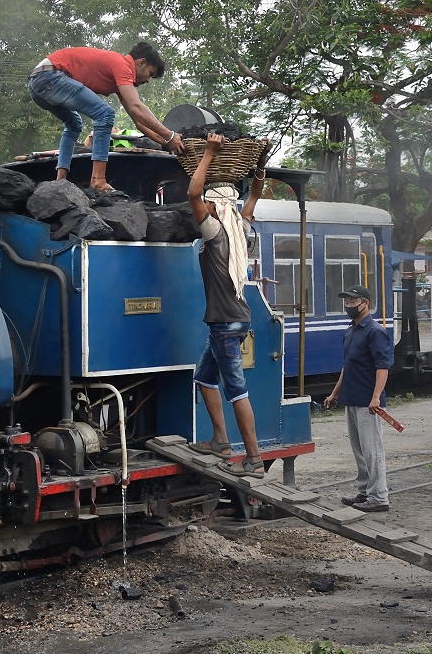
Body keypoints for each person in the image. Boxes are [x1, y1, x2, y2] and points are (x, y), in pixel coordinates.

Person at [186, 133, 269, 477]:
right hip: (236, 321)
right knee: (204, 378)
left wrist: (208, 153)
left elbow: (193, 193)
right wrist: (259, 167)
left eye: (209, 203)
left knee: (237, 391)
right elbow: (254, 195)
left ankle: (254, 460)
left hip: (224, 324)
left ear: (215, 207)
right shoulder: (241, 228)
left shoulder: (214, 232)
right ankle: (220, 439)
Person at [28, 42, 186, 191]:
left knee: (74, 124)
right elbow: (137, 106)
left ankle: (60, 180)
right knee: (105, 114)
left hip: (37, 82)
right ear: (141, 63)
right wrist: (170, 135)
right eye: (150, 73)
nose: (148, 80)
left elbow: (139, 121)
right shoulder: (121, 64)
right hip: (50, 76)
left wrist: (168, 142)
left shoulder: (120, 76)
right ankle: (98, 180)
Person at [323, 285, 393, 512]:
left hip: (368, 402)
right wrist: (335, 394)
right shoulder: (350, 331)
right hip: (351, 398)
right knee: (360, 450)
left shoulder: (375, 332)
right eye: (347, 302)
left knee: (372, 451)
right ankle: (364, 492)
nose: (349, 306)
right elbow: (347, 366)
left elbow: (382, 367)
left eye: (354, 302)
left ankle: (379, 497)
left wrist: (375, 398)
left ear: (366, 304)